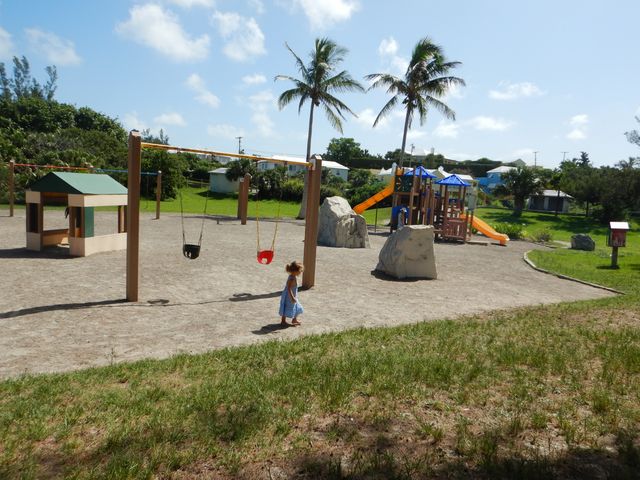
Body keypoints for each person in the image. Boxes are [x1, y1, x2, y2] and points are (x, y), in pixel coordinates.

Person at [279, 261, 304, 326]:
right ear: (295, 271)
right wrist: (292, 297)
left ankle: (294, 319)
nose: (300, 272)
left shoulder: (293, 276)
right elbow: (289, 288)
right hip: (289, 296)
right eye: (300, 271)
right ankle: (283, 321)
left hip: (293, 296)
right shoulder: (291, 279)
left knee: (297, 307)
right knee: (286, 307)